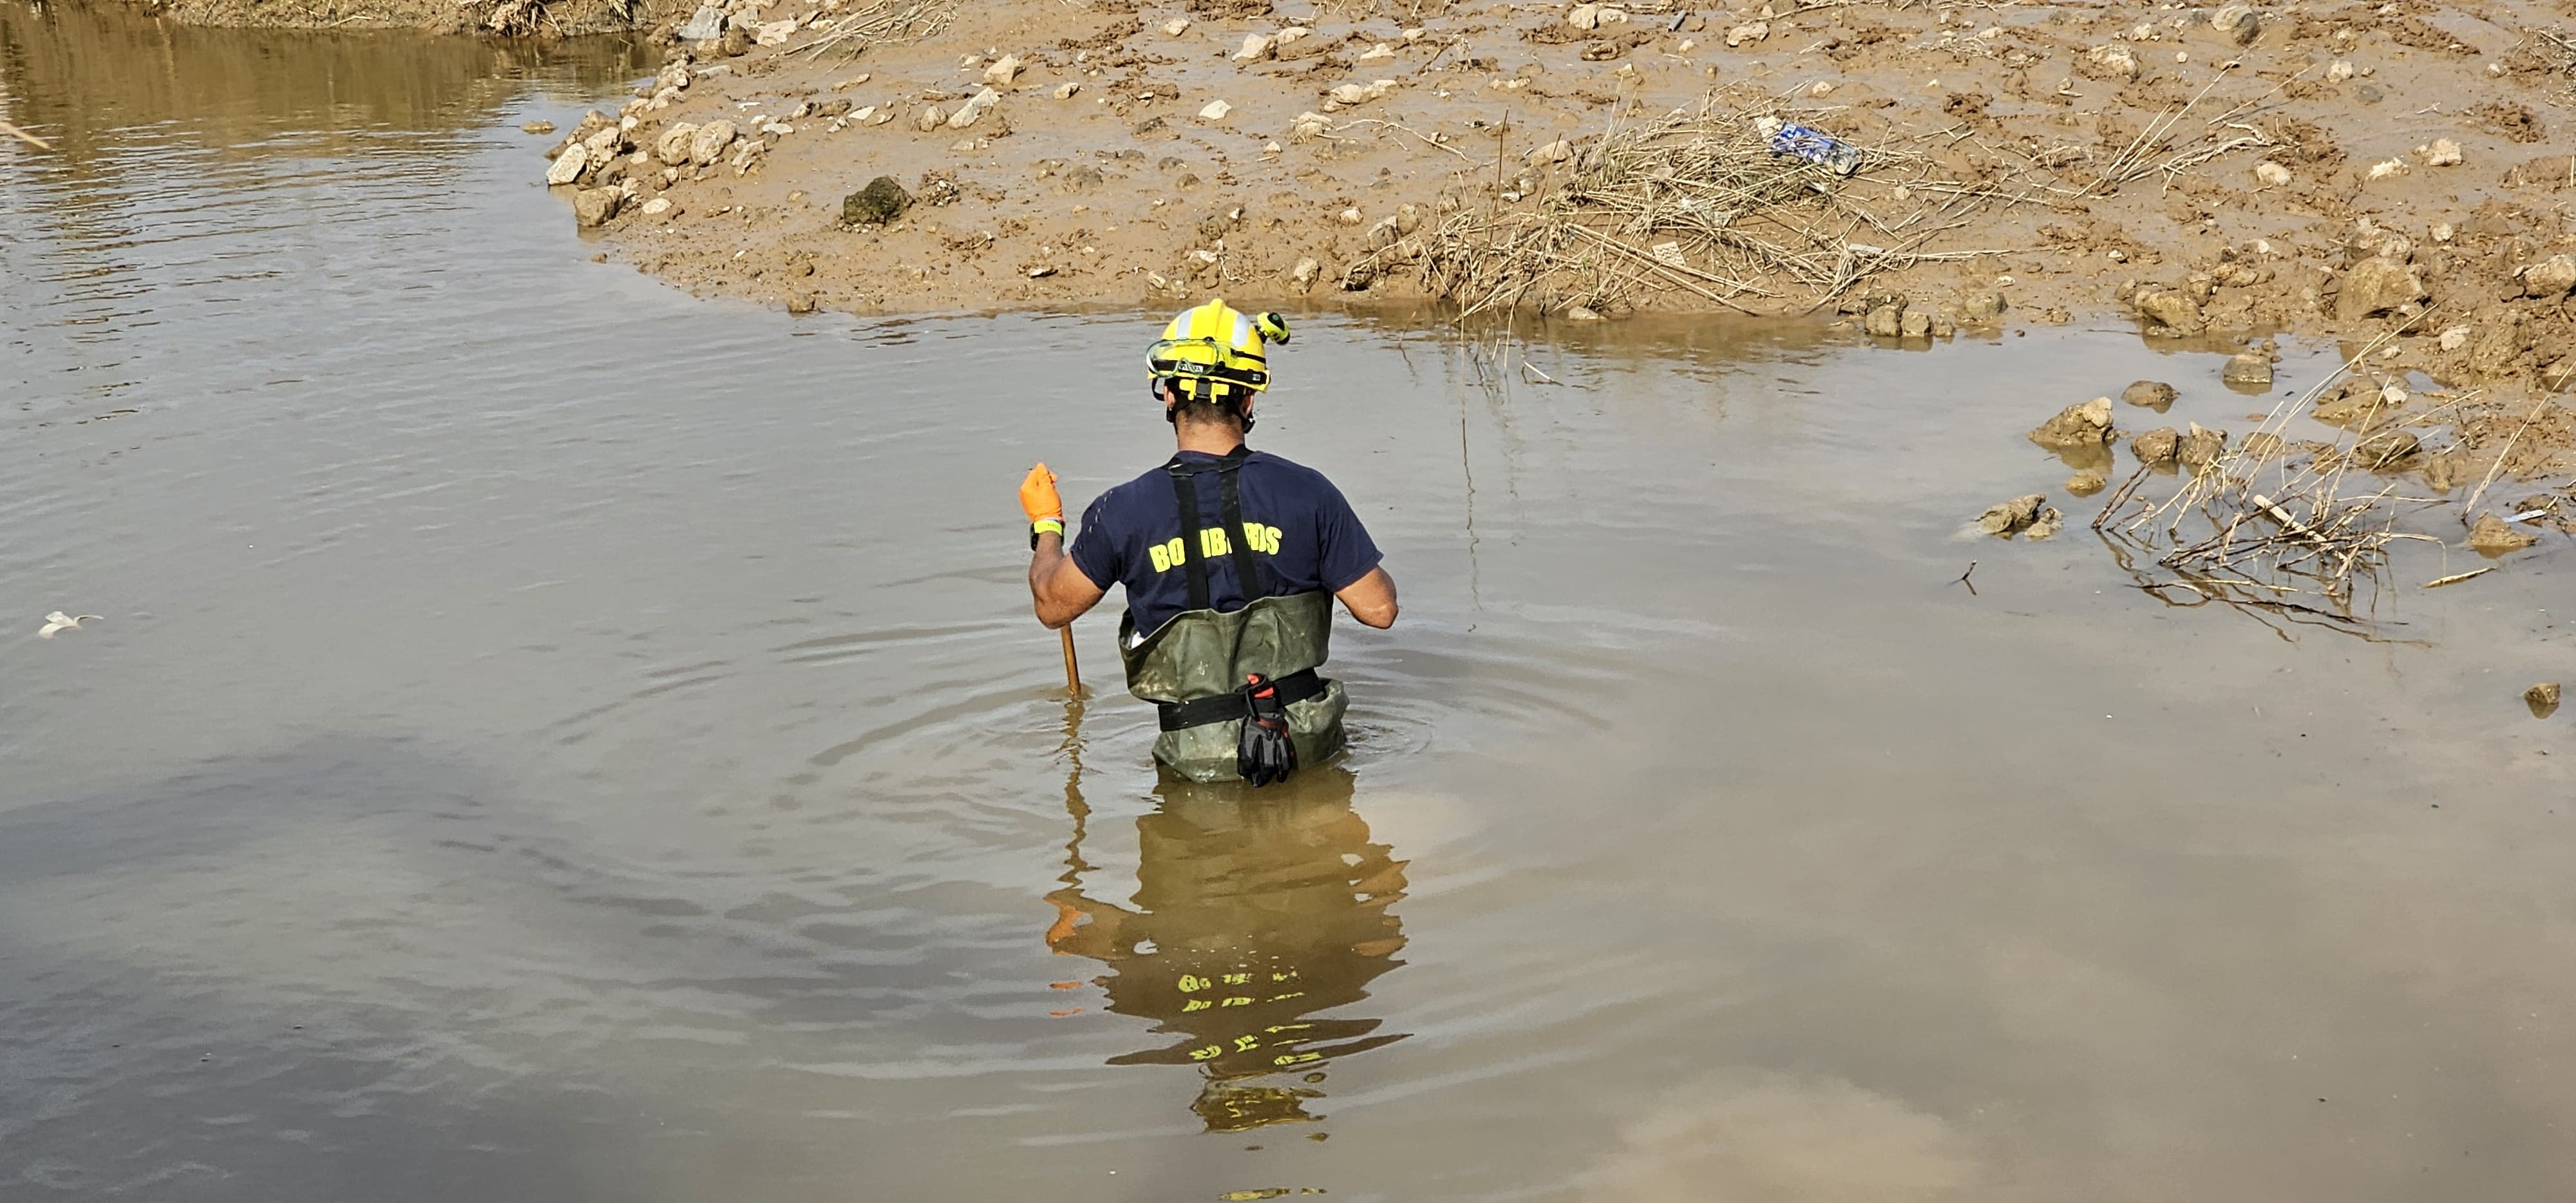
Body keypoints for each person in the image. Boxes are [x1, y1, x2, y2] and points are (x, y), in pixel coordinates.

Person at [1017, 299, 1398, 784]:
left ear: (1170, 396)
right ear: (1248, 401)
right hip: (1308, 748)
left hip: (1197, 767)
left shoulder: (1122, 511)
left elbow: (1053, 606)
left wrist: (1047, 525)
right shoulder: (1309, 493)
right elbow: (1380, 611)